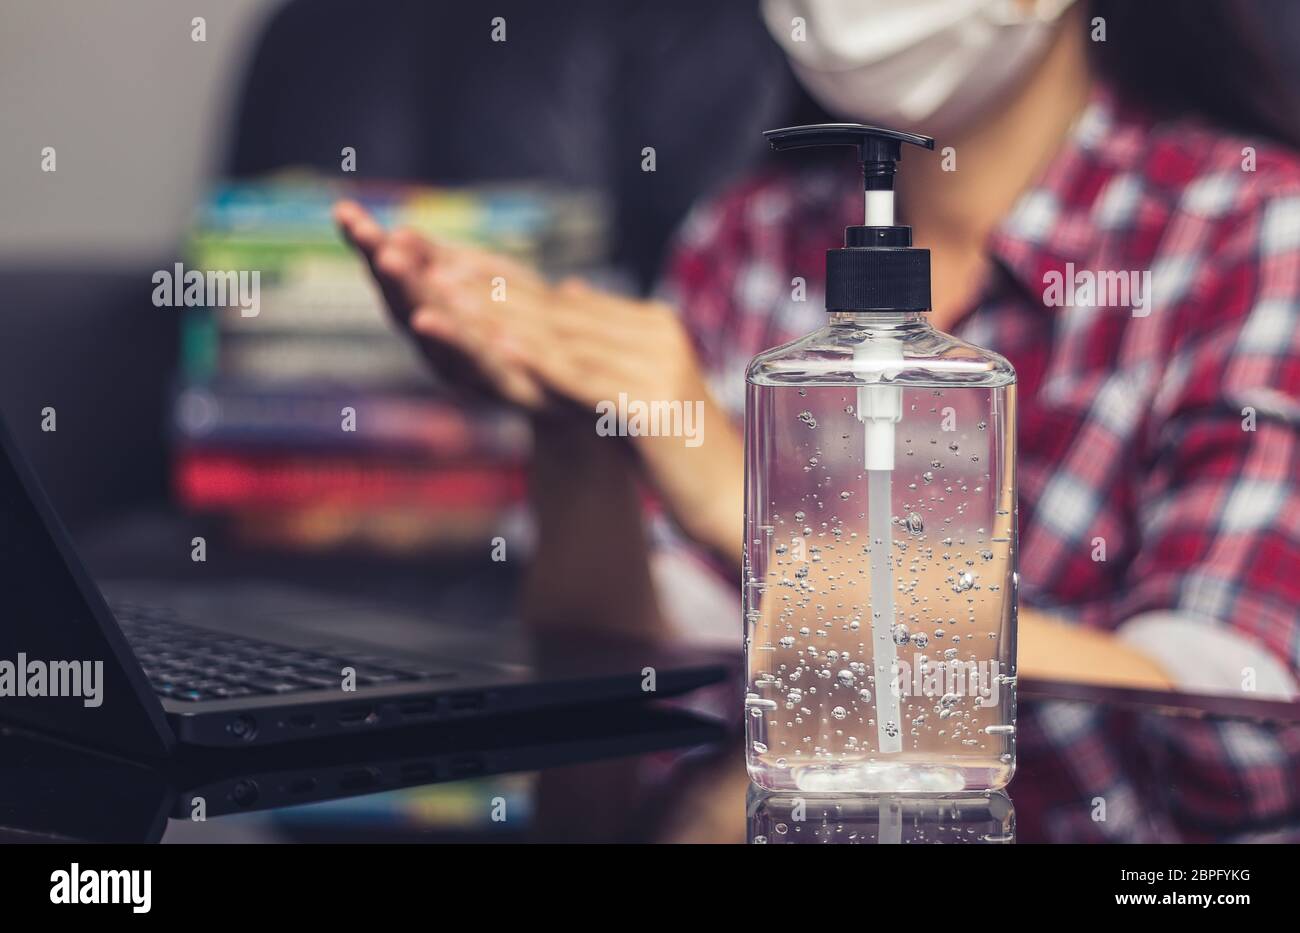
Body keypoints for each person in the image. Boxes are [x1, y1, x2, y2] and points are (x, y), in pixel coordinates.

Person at [334, 0, 1300, 838]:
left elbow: (1240, 736)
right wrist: (570, 420)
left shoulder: (1257, 234)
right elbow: (650, 674)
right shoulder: (746, 236)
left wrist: (732, 491)